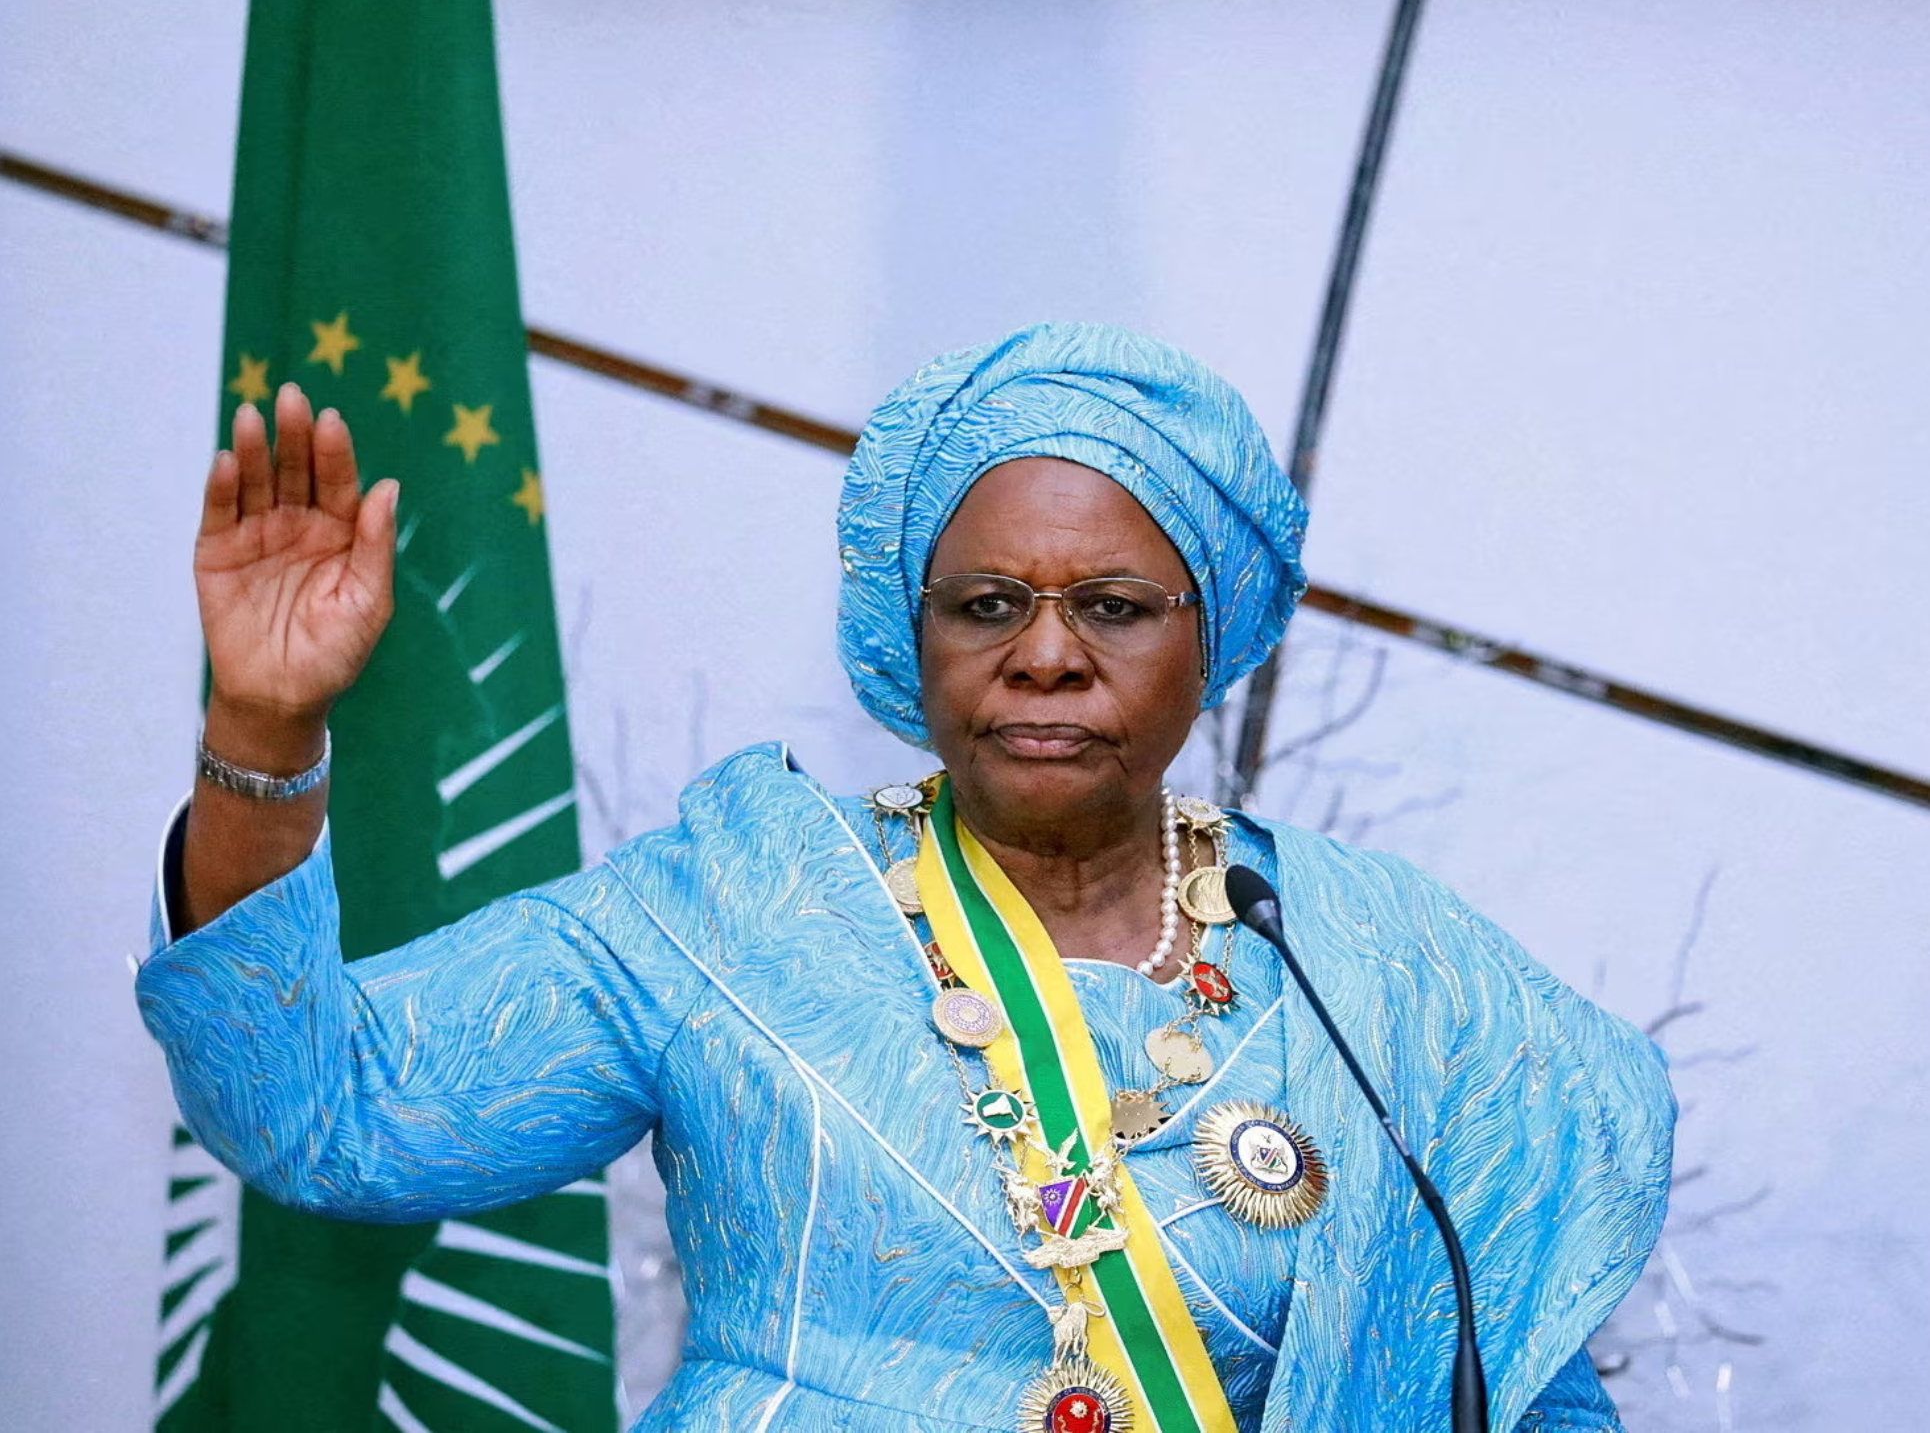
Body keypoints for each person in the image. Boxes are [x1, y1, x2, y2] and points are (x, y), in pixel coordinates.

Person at [139, 322, 1674, 1432]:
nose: (1048, 651)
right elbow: (318, 1108)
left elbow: (1514, 1385)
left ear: (1213, 639)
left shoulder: (1374, 968)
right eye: (987, 600)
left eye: (1120, 606)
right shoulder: (727, 909)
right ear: (910, 635)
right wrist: (264, 727)